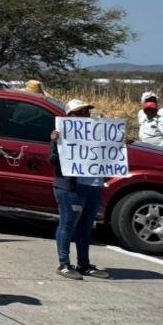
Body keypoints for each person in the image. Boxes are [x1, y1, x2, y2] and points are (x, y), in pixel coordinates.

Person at [49, 98, 107, 280]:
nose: (85, 115)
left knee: (86, 226)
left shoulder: (98, 133)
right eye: (80, 112)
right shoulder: (60, 135)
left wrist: (119, 143)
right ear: (70, 116)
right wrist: (55, 144)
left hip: (94, 185)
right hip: (71, 188)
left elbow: (108, 153)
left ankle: (84, 264)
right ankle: (64, 264)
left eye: (86, 112)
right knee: (68, 224)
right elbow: (52, 161)